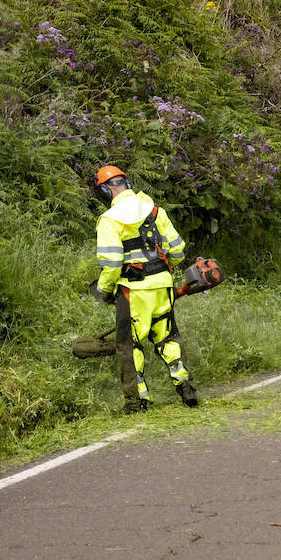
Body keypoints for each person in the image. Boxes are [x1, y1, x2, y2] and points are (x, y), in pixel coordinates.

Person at [90, 165, 197, 413]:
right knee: (167, 338)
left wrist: (104, 291)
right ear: (126, 184)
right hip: (163, 286)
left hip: (132, 291)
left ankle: (136, 401)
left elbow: (112, 263)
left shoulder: (109, 220)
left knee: (130, 345)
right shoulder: (155, 210)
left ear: (104, 191)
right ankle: (186, 387)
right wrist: (161, 270)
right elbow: (178, 251)